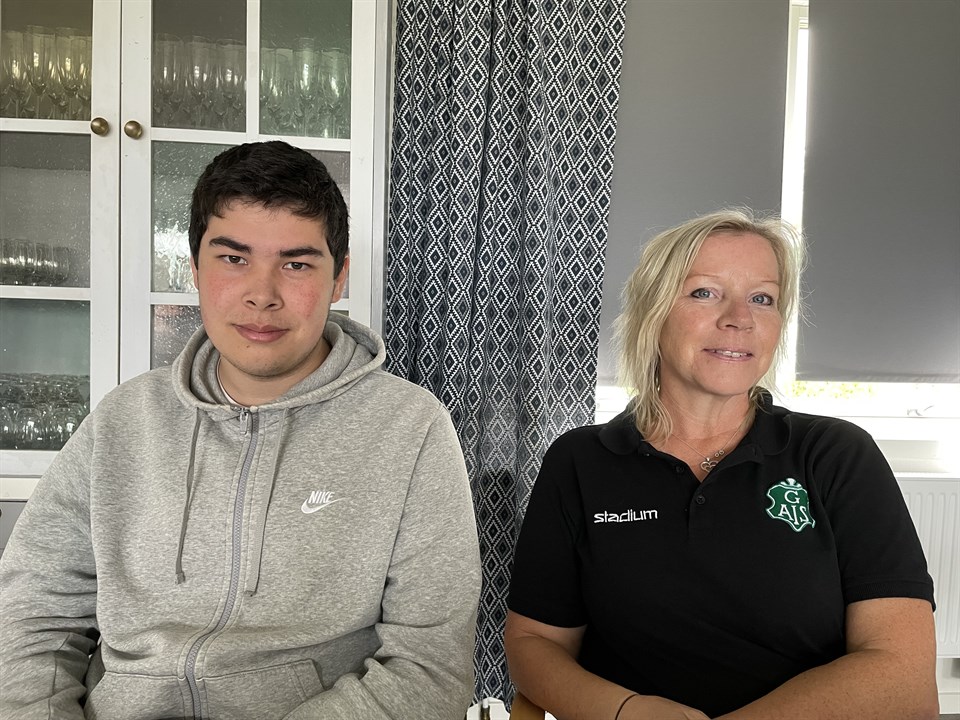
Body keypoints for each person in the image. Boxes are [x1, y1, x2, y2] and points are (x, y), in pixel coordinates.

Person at [0, 141, 481, 720]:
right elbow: (31, 615)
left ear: (338, 278)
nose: (262, 295)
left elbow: (430, 669)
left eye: (296, 264)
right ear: (195, 269)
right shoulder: (123, 420)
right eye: (233, 259)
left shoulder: (411, 428)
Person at [504, 209, 939, 719]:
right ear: (653, 311)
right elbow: (535, 642)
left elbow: (902, 675)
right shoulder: (580, 461)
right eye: (705, 292)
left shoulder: (836, 454)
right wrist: (625, 711)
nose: (740, 318)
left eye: (763, 298)